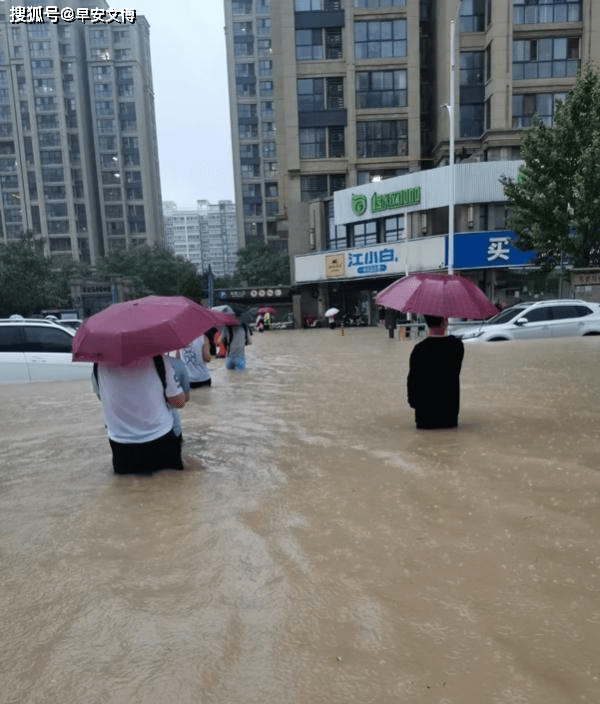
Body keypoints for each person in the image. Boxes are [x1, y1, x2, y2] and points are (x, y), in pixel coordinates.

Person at [92, 355, 187, 474]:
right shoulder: (158, 359)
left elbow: (102, 398)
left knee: (128, 490)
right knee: (173, 488)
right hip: (161, 439)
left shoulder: (98, 364)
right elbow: (178, 402)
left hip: (121, 446)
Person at [407, 315, 464, 429]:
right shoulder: (456, 346)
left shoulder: (419, 349)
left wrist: (414, 403)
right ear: (445, 321)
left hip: (424, 414)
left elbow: (412, 381)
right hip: (449, 413)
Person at [166, 355, 191, 438]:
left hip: (126, 438)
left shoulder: (124, 367)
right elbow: (182, 401)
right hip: (167, 429)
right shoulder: (171, 363)